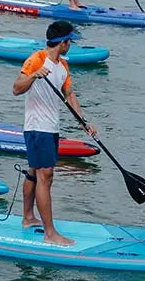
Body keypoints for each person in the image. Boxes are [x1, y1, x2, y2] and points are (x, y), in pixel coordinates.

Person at [12, 21, 99, 246]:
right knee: (46, 175)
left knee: (34, 172)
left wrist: (83, 121)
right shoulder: (36, 59)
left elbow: (69, 94)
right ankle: (50, 233)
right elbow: (16, 88)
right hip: (36, 127)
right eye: (70, 42)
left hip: (51, 128)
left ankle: (28, 218)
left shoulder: (63, 66)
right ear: (62, 43)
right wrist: (34, 76)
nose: (71, 45)